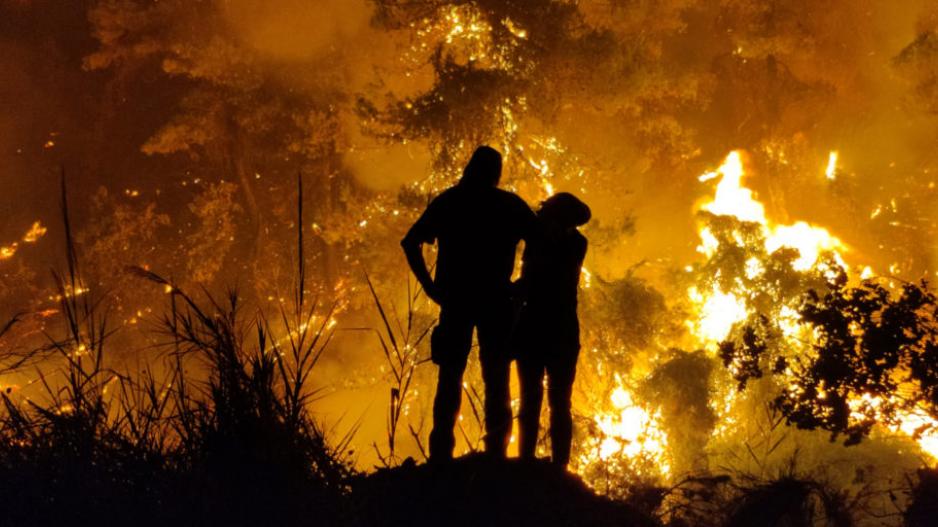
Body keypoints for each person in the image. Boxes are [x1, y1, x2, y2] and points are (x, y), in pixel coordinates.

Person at [401, 146, 536, 462]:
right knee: (497, 377)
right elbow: (543, 242)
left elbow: (410, 242)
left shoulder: (450, 201)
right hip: (497, 301)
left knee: (449, 377)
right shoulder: (509, 205)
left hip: (456, 300)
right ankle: (497, 457)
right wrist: (524, 284)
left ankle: (441, 459)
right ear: (496, 172)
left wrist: (429, 286)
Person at [514, 192, 590, 468]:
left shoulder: (544, 241)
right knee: (557, 400)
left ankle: (528, 462)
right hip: (562, 329)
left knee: (534, 398)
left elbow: (532, 281)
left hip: (537, 326)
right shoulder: (577, 243)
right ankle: (557, 467)